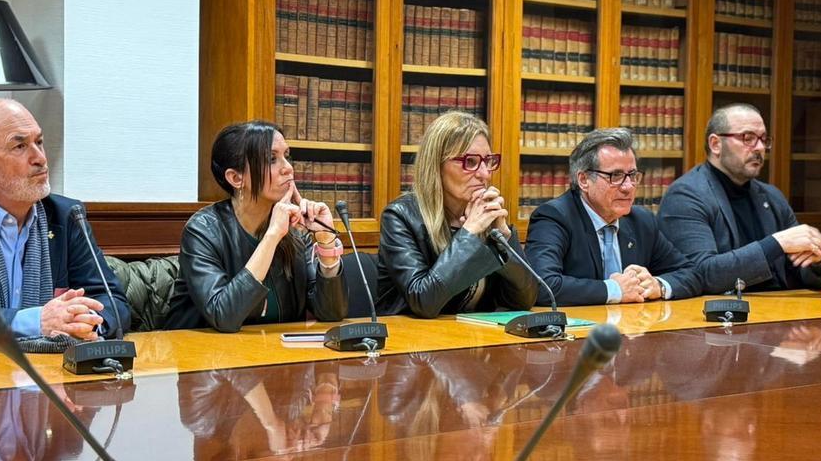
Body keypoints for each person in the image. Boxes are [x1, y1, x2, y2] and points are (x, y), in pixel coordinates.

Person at [0, 98, 130, 349]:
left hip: (51, 368)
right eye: (20, 146)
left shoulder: (66, 216)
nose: (40, 158)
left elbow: (113, 301)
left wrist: (84, 321)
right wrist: (36, 322)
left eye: (39, 142)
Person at [165, 120, 347, 331]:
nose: (288, 168)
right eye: (272, 159)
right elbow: (223, 316)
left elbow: (332, 313)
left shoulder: (295, 231)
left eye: (286, 156)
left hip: (272, 349)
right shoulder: (203, 230)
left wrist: (326, 242)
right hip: (199, 349)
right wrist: (272, 236)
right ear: (236, 178)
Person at [375, 111, 537, 317]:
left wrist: (504, 237)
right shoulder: (401, 216)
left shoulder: (485, 215)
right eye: (470, 162)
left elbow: (526, 299)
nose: (485, 174)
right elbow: (424, 301)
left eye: (488, 161)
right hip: (412, 335)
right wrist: (469, 233)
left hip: (473, 333)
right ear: (437, 165)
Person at [658, 104, 821, 294]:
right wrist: (776, 243)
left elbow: (799, 272)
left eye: (763, 139)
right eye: (748, 138)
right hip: (721, 310)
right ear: (715, 144)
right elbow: (701, 274)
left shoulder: (772, 196)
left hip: (780, 306)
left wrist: (817, 261)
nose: (760, 148)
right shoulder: (686, 196)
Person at [524, 127, 701, 306]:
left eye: (632, 175)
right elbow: (541, 286)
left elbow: (692, 273)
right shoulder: (554, 217)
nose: (628, 186)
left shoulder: (641, 221)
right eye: (615, 176)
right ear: (584, 180)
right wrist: (615, 290)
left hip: (634, 322)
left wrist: (658, 285)